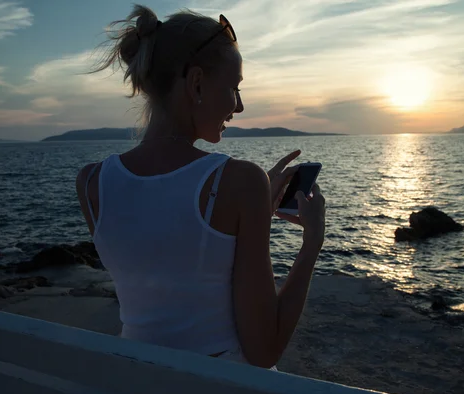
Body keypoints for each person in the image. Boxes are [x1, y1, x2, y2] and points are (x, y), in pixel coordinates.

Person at [75, 4, 326, 369]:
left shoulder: (92, 182)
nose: (239, 106)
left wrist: (252, 208)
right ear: (196, 83)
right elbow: (264, 351)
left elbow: (165, 255)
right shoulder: (241, 181)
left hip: (133, 383)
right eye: (233, 88)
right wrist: (312, 243)